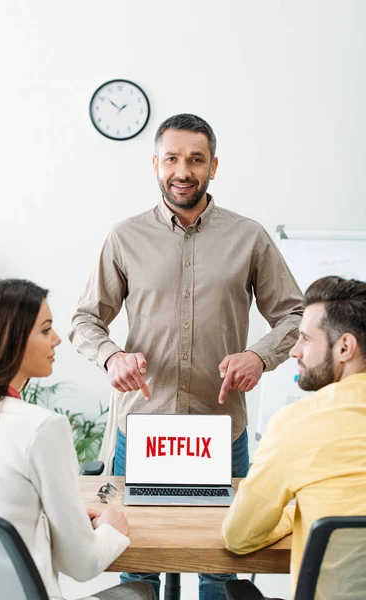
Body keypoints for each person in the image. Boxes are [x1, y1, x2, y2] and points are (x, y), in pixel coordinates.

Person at [69, 113, 303, 600]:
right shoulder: (123, 237)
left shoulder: (250, 237)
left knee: (221, 565)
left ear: (213, 166)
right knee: (136, 565)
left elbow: (296, 316)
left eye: (195, 159)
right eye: (172, 158)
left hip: (221, 430)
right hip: (142, 433)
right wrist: (112, 357)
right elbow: (85, 321)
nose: (183, 170)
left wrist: (260, 356)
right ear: (155, 164)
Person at [0, 279, 155, 600]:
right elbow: (82, 564)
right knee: (141, 590)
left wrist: (59, 514)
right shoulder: (41, 428)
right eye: (45, 330)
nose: (56, 340)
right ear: (10, 338)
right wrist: (111, 527)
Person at [222, 276, 366, 598]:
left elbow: (239, 535)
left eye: (305, 339)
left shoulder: (297, 424)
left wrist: (295, 513)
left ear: (344, 347)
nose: (294, 352)